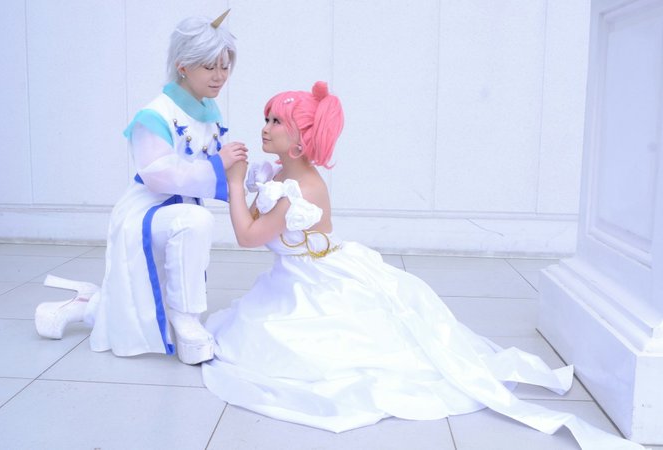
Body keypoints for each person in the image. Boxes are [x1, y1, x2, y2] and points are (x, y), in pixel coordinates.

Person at [202, 81, 644, 449]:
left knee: (348, 350)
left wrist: (234, 183)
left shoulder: (303, 190)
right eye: (267, 118)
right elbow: (259, 222)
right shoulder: (281, 175)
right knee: (257, 331)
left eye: (276, 121)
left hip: (317, 278)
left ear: (301, 139)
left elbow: (247, 236)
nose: (265, 127)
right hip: (294, 275)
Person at [34, 10, 247, 365]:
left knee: (143, 293)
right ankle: (185, 316)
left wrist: (256, 175)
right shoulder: (155, 115)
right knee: (195, 221)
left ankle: (87, 303)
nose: (220, 76)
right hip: (147, 211)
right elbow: (158, 175)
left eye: (225, 66)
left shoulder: (208, 111)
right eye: (210, 66)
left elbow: (218, 164)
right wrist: (218, 164)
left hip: (179, 211)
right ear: (183, 66)